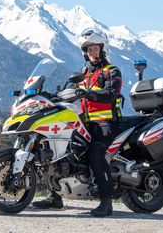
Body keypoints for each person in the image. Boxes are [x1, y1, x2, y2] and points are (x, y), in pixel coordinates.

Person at [33, 27, 122, 217]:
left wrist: (88, 93)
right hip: (81, 124)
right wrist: (49, 96)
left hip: (104, 125)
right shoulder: (83, 73)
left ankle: (107, 202)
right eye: (88, 49)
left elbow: (110, 94)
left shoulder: (112, 71)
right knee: (58, 149)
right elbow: (69, 92)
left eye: (95, 48)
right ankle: (55, 196)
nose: (92, 52)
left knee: (96, 154)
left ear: (102, 48)